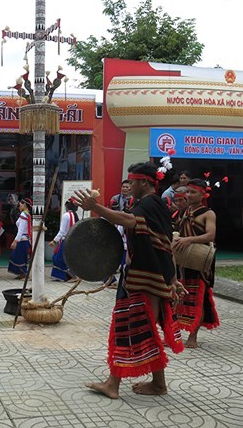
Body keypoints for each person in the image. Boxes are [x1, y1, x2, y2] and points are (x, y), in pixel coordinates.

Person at [74, 162, 185, 399]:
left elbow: (130, 221)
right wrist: (173, 278)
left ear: (144, 182)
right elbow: (165, 244)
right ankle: (158, 384)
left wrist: (97, 208)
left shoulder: (149, 203)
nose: (129, 186)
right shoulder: (155, 204)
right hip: (152, 277)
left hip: (144, 279)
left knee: (126, 328)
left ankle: (112, 385)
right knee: (144, 329)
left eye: (132, 181)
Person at [174, 178, 220, 348]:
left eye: (192, 192)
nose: (189, 195)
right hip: (183, 259)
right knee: (179, 297)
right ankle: (176, 333)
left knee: (197, 298)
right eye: (187, 192)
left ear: (203, 194)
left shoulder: (209, 213)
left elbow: (210, 236)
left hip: (199, 261)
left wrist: (188, 240)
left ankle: (193, 336)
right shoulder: (184, 212)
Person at [50, 198, 79, 282]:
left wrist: (54, 240)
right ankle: (62, 276)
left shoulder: (66, 215)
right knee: (60, 258)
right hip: (72, 240)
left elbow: (62, 231)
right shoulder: (75, 215)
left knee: (58, 259)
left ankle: (73, 276)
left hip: (66, 240)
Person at [8, 198, 32, 280]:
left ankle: (25, 274)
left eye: (21, 204)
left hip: (22, 239)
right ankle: (22, 274)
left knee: (17, 257)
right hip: (25, 239)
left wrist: (15, 241)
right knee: (21, 257)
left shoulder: (23, 215)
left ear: (25, 205)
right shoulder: (27, 214)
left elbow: (21, 230)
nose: (19, 205)